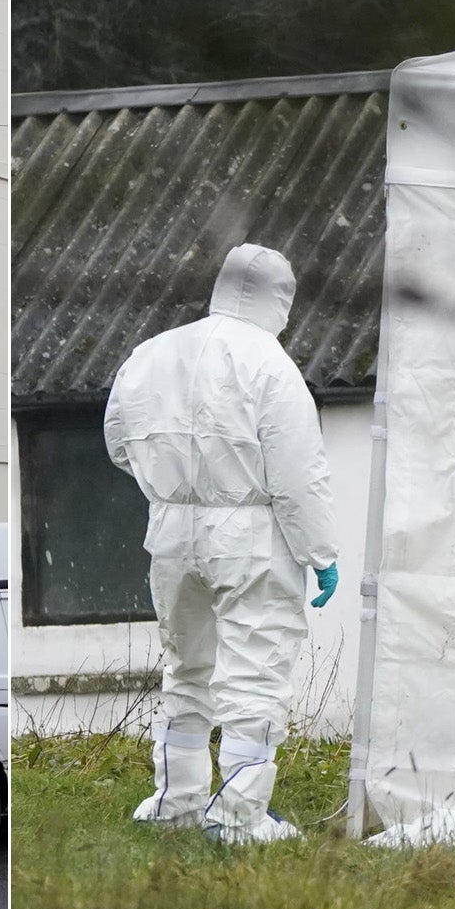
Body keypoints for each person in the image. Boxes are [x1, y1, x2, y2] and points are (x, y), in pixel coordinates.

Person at [103, 243, 339, 845]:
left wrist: (174, 488)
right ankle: (238, 817)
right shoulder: (270, 364)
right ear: (279, 299)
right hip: (251, 535)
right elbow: (296, 475)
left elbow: (118, 444)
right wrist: (321, 553)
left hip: (172, 533)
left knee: (187, 668)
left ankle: (176, 798)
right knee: (253, 674)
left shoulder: (150, 354)